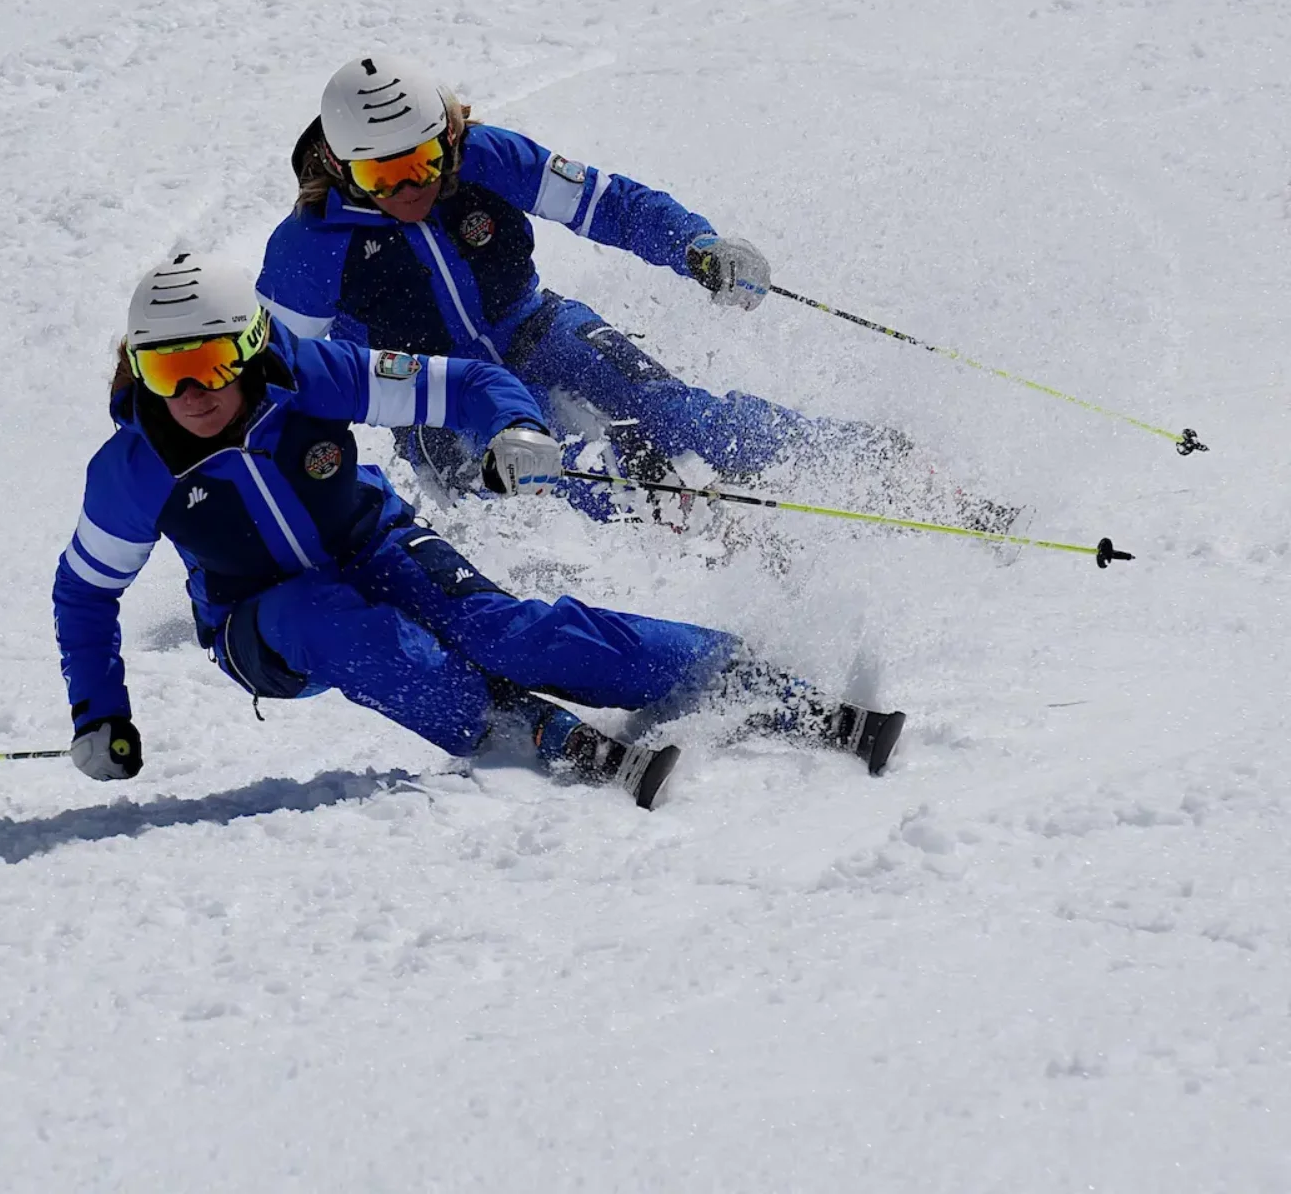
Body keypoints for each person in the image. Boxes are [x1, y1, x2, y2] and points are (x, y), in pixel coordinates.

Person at [53, 253, 905, 809]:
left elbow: (457, 385)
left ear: (249, 347)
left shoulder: (313, 376)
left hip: (370, 538)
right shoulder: (132, 471)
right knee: (338, 624)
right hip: (259, 621)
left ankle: (742, 676)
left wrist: (512, 428)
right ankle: (510, 726)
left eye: (207, 363)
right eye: (166, 369)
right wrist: (99, 714)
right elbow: (86, 594)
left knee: (506, 630)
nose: (191, 392)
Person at [255, 54, 996, 529]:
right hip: (437, 397)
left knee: (687, 420)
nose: (411, 187)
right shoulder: (310, 247)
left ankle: (883, 466)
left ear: (448, 138)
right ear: (342, 166)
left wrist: (696, 247)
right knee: (575, 478)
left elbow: (605, 204)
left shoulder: (487, 159)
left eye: (421, 161)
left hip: (537, 330)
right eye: (382, 178)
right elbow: (277, 381)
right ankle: (725, 548)